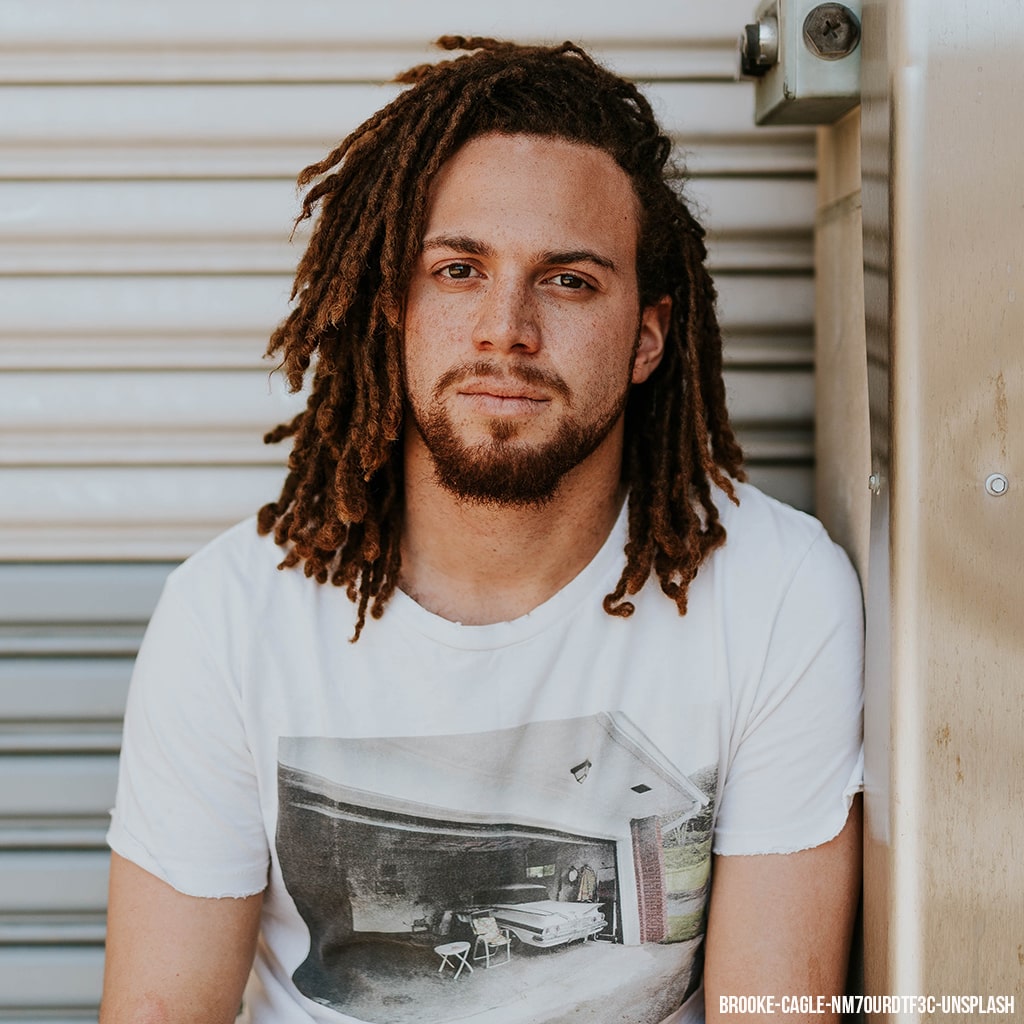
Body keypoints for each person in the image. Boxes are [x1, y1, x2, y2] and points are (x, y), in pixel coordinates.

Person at [100, 37, 863, 1024]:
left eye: (569, 279)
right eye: (458, 269)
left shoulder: (775, 591)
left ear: (647, 337)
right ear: (397, 311)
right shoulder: (231, 613)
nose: (506, 327)